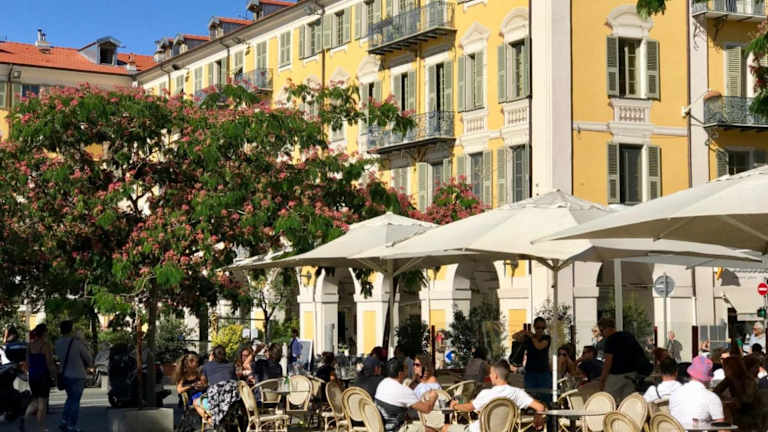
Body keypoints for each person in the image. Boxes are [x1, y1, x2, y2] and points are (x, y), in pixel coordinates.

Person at [442, 361, 545, 432]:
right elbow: (540, 407)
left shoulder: (486, 393)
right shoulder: (517, 393)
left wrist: (455, 405)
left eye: (490, 373)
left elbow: (468, 408)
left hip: (478, 430)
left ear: (495, 375)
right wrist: (538, 418)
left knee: (445, 428)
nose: (490, 376)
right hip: (504, 430)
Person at [374, 357, 438, 432]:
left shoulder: (383, 383)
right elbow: (426, 409)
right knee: (431, 430)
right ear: (400, 373)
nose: (408, 370)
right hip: (397, 429)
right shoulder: (403, 390)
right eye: (406, 368)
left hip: (382, 427)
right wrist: (432, 397)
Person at [55, 320, 93, 432]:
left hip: (64, 374)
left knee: (70, 399)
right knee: (75, 401)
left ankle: (64, 421)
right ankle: (71, 425)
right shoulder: (76, 343)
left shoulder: (57, 343)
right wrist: (83, 342)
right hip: (77, 375)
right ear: (71, 330)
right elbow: (89, 359)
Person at [597, 317, 645, 403]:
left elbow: (608, 362)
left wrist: (602, 380)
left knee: (608, 400)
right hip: (631, 374)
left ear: (607, 328)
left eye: (602, 330)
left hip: (616, 375)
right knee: (627, 403)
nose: (601, 333)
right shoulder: (628, 335)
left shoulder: (610, 340)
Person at [669, 356, 724, 426]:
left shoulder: (675, 393)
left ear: (690, 373)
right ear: (709, 378)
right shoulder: (712, 397)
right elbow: (721, 427)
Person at [714, 356, 761, 432]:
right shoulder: (729, 379)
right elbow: (716, 392)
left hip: (750, 413)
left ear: (732, 367)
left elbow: (748, 400)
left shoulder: (748, 380)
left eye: (725, 367)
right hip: (736, 412)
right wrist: (728, 399)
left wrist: (733, 400)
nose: (724, 370)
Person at [25, 324, 56, 432]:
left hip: (33, 376)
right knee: (42, 403)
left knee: (35, 400)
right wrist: (54, 376)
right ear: (44, 333)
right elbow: (49, 363)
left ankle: (25, 418)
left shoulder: (29, 346)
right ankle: (41, 428)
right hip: (43, 376)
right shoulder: (46, 345)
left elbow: (28, 363)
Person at [200, 345, 238, 428]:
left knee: (196, 402)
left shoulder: (206, 366)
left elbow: (204, 383)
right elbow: (235, 380)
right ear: (225, 355)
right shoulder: (231, 365)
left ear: (213, 355)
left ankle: (212, 421)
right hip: (232, 402)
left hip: (215, 400)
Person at [513, 317, 552, 392]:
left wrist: (532, 336)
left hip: (543, 373)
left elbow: (539, 346)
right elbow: (515, 337)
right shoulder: (529, 339)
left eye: (543, 328)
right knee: (530, 395)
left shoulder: (546, 338)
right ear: (534, 327)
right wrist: (523, 332)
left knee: (544, 395)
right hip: (530, 372)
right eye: (538, 328)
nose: (540, 330)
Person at [175, 353, 207, 419]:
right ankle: (208, 418)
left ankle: (207, 418)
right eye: (196, 362)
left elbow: (205, 385)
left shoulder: (198, 373)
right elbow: (179, 390)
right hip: (190, 398)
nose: (198, 364)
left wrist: (201, 386)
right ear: (190, 363)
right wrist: (191, 386)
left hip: (200, 395)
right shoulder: (183, 376)